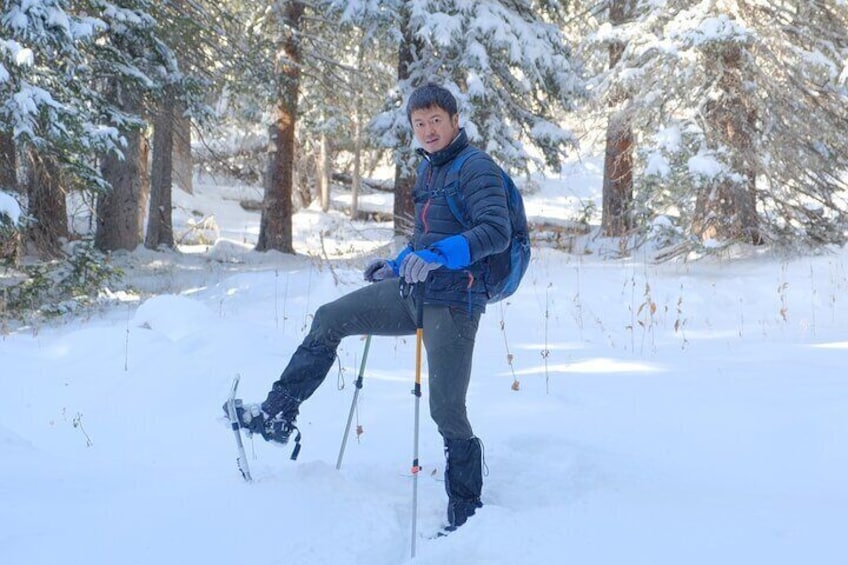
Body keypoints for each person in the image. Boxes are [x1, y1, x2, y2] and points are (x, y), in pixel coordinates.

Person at [226, 82, 511, 531]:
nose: (428, 130)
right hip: (414, 293)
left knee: (446, 408)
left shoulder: (477, 169)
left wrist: (438, 258)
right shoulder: (429, 170)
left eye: (436, 120)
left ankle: (465, 506)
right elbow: (426, 240)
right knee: (329, 318)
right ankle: (278, 414)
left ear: (456, 121)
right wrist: (396, 263)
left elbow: (496, 232)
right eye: (420, 124)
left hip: (455, 301)